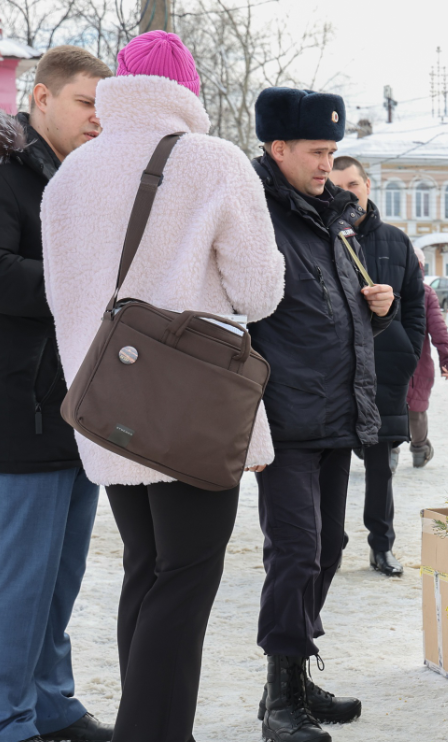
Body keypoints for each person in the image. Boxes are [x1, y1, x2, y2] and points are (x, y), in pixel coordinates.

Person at [40, 32, 286, 742]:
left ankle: (146, 727)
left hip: (107, 405)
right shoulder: (214, 163)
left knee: (147, 570)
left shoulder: (72, 174)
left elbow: (65, 297)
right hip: (190, 406)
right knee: (185, 576)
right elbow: (259, 292)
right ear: (188, 91)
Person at [249, 86, 397, 742]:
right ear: (277, 149)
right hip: (282, 416)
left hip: (336, 412)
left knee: (330, 547)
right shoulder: (253, 212)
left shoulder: (334, 220)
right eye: (315, 152)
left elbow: (336, 317)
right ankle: (281, 701)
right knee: (297, 552)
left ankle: (295, 678)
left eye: (333, 152)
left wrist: (378, 312)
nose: (327, 166)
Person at [0, 46, 114, 742]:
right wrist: (84, 284)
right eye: (85, 104)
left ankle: (50, 703)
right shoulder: (8, 173)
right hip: (21, 409)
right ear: (42, 98)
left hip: (83, 408)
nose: (98, 120)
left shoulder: (80, 179)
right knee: (20, 582)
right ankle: (10, 716)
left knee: (61, 577)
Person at [328, 155, 425, 579]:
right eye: (339, 185)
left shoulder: (396, 241)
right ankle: (328, 543)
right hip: (333, 371)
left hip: (386, 371)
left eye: (354, 183)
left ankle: (381, 546)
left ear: (368, 185)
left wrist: (408, 351)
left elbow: (416, 305)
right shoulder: (321, 235)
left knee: (381, 468)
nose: (348, 192)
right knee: (327, 466)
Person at [405, 244, 448, 465]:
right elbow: (438, 328)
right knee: (416, 410)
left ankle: (388, 452)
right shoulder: (426, 293)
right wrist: (446, 357)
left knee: (387, 408)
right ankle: (420, 451)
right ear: (421, 266)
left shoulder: (386, 288)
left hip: (386, 363)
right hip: (418, 364)